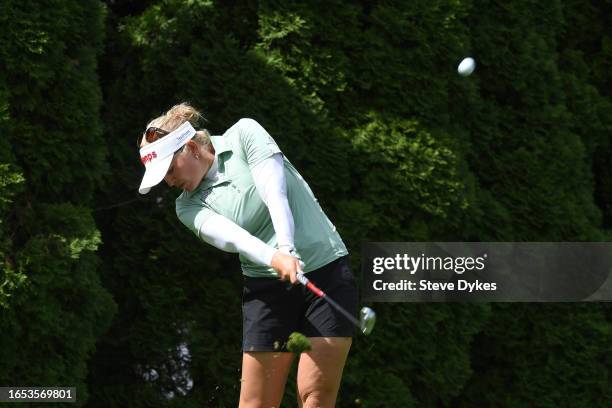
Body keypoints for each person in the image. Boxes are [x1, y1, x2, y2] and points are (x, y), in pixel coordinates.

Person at [137, 102, 358, 407]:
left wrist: (287, 248)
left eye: (170, 170)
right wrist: (276, 258)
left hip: (325, 270)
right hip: (265, 290)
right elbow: (234, 238)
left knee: (315, 397)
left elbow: (274, 191)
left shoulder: (244, 133)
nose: (169, 181)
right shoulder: (186, 206)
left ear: (190, 148)